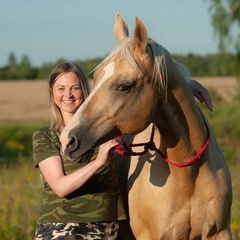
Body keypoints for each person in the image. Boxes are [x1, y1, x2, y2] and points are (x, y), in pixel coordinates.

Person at [32, 62, 213, 240]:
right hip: (61, 227)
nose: (68, 95)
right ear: (51, 92)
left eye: (75, 88)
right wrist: (98, 162)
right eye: (61, 88)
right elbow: (61, 187)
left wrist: (184, 85)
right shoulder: (45, 135)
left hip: (107, 228)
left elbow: (140, 96)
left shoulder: (107, 130)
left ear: (85, 91)